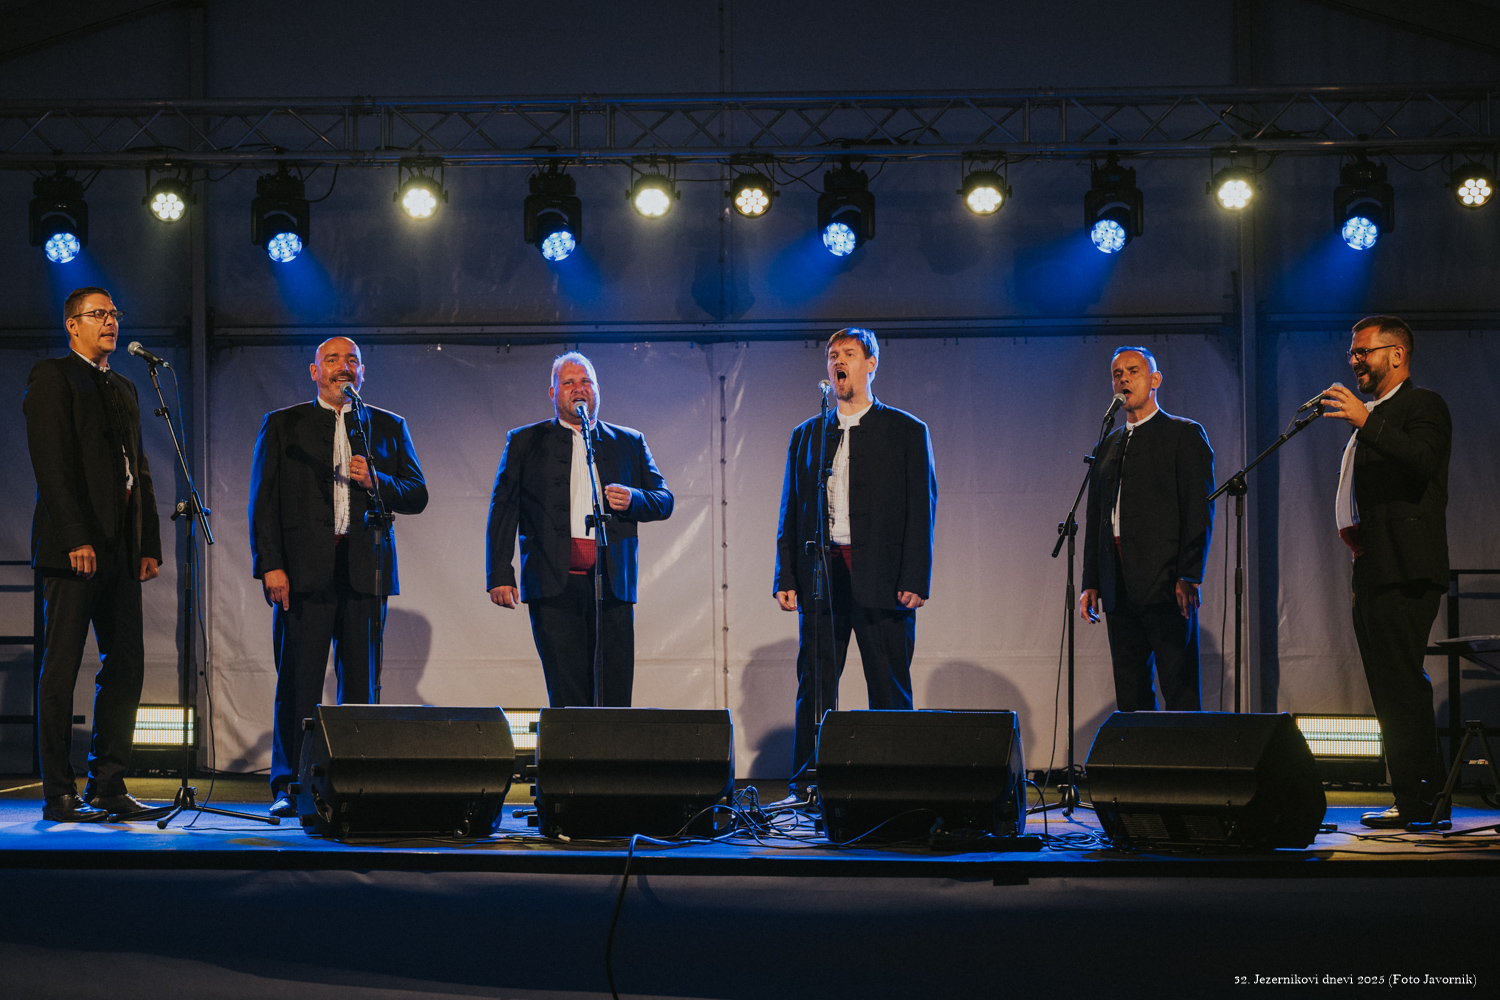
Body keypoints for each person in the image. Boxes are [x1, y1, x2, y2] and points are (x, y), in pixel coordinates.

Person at [250, 337, 428, 818]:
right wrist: (271, 565)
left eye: (352, 361)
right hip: (302, 573)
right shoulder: (283, 424)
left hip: (364, 571)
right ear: (315, 371)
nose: (343, 368)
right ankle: (291, 786)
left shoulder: (387, 425)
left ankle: (353, 782)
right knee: (299, 681)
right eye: (333, 360)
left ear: (363, 373)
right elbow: (263, 502)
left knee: (361, 686)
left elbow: (417, 493)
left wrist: (376, 481)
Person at [774, 328, 937, 796]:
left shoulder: (906, 430)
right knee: (815, 682)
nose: (838, 362)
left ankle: (895, 784)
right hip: (822, 573)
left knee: (888, 682)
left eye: (849, 354)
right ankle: (808, 783)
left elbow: (922, 509)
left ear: (871, 364)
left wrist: (915, 577)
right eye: (832, 355)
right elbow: (792, 509)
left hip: (883, 578)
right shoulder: (808, 434)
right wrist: (786, 574)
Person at [23, 287, 162, 822]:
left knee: (126, 665)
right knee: (61, 668)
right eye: (98, 314)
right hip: (73, 549)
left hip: (121, 549)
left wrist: (147, 543)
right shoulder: (53, 376)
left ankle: (107, 784)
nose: (110, 321)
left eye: (113, 313)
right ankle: (59, 792)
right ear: (72, 325)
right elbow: (51, 462)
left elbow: (138, 469)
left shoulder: (125, 385)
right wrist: (75, 535)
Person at [1320, 316, 1451, 829]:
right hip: (1371, 565)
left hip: (1405, 566)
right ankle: (1412, 799)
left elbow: (1422, 460)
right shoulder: (1373, 416)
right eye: (1352, 353)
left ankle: (1425, 803)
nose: (1355, 360)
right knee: (1386, 686)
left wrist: (1365, 422)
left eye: (1364, 351)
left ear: (1396, 354)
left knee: (1401, 684)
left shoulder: (1422, 405)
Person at [486, 352, 674, 707]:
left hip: (612, 584)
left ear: (597, 390)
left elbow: (664, 500)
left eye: (586, 381)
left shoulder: (628, 441)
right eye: (568, 382)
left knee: (614, 695)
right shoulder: (525, 441)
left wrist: (634, 498)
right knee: (568, 696)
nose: (578, 388)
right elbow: (504, 508)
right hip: (553, 584)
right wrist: (499, 573)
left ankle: (612, 747)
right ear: (553, 392)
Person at [1081, 346, 1215, 712]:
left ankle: (1183, 752)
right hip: (1118, 583)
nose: (1123, 379)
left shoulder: (1183, 434)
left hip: (1166, 583)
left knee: (1179, 689)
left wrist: (1190, 573)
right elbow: (1096, 517)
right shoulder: (1107, 445)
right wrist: (1092, 580)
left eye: (1133, 371)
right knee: (1131, 693)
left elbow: (1199, 509)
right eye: (1117, 373)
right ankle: (1138, 751)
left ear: (1154, 380)